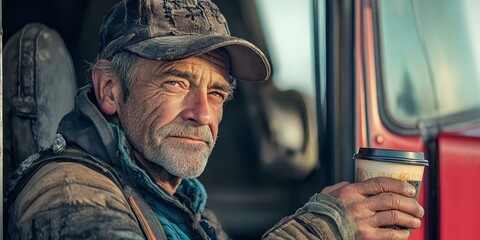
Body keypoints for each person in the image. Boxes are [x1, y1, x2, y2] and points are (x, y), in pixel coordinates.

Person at [6, 0, 424, 239]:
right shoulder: (68, 192)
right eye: (175, 83)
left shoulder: (181, 201)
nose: (203, 113)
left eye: (218, 92)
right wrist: (323, 230)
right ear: (110, 90)